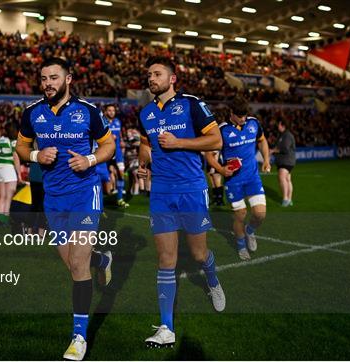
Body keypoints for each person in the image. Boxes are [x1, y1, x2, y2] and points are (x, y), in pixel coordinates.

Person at [15, 57, 115, 361]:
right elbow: (20, 147)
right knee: (72, 263)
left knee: (77, 266)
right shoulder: (32, 113)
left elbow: (108, 146)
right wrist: (35, 154)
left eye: (54, 78)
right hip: (53, 198)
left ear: (68, 79)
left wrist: (90, 161)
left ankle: (79, 337)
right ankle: (102, 259)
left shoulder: (88, 111)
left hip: (85, 194)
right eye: (44, 78)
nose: (47, 84)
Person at [137, 56, 225, 348]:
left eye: (157, 74)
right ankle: (166, 327)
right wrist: (144, 162)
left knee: (199, 255)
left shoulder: (191, 104)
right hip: (161, 192)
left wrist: (179, 143)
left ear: (172, 79)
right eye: (149, 74)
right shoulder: (146, 112)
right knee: (166, 260)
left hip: (190, 189)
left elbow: (215, 141)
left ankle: (212, 281)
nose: (152, 78)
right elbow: (145, 142)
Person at [205, 96, 271, 261]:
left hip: (252, 178)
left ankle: (250, 231)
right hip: (234, 182)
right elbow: (209, 154)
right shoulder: (222, 130)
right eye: (239, 116)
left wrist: (267, 160)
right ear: (231, 113)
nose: (243, 119)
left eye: (244, 115)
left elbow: (262, 141)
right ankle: (241, 246)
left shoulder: (253, 123)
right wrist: (221, 169)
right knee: (240, 215)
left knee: (260, 214)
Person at [104, 104, 129, 208]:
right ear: (105, 112)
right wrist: (108, 138)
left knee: (121, 173)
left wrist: (121, 141)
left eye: (113, 110)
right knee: (104, 177)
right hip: (105, 152)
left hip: (118, 152)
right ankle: (100, 201)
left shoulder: (118, 121)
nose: (111, 112)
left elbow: (119, 136)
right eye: (109, 110)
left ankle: (119, 199)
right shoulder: (102, 122)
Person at [272, 120, 296, 207]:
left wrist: (274, 150)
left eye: (278, 124)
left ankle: (285, 199)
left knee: (282, 177)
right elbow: (279, 147)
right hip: (284, 160)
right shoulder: (282, 135)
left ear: (282, 125)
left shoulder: (287, 135)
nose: (277, 126)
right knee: (287, 179)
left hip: (286, 160)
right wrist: (274, 150)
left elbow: (285, 148)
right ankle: (289, 200)